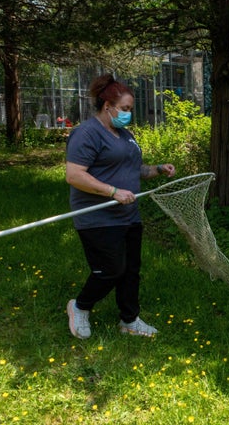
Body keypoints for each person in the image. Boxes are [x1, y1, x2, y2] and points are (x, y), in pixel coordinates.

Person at [65, 74, 176, 339]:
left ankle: (129, 320)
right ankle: (79, 307)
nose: (128, 114)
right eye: (124, 109)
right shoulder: (86, 133)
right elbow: (75, 175)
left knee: (130, 271)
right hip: (97, 218)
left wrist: (158, 169)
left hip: (128, 215)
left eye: (130, 109)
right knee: (110, 270)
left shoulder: (126, 135)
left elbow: (133, 169)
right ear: (108, 106)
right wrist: (112, 192)